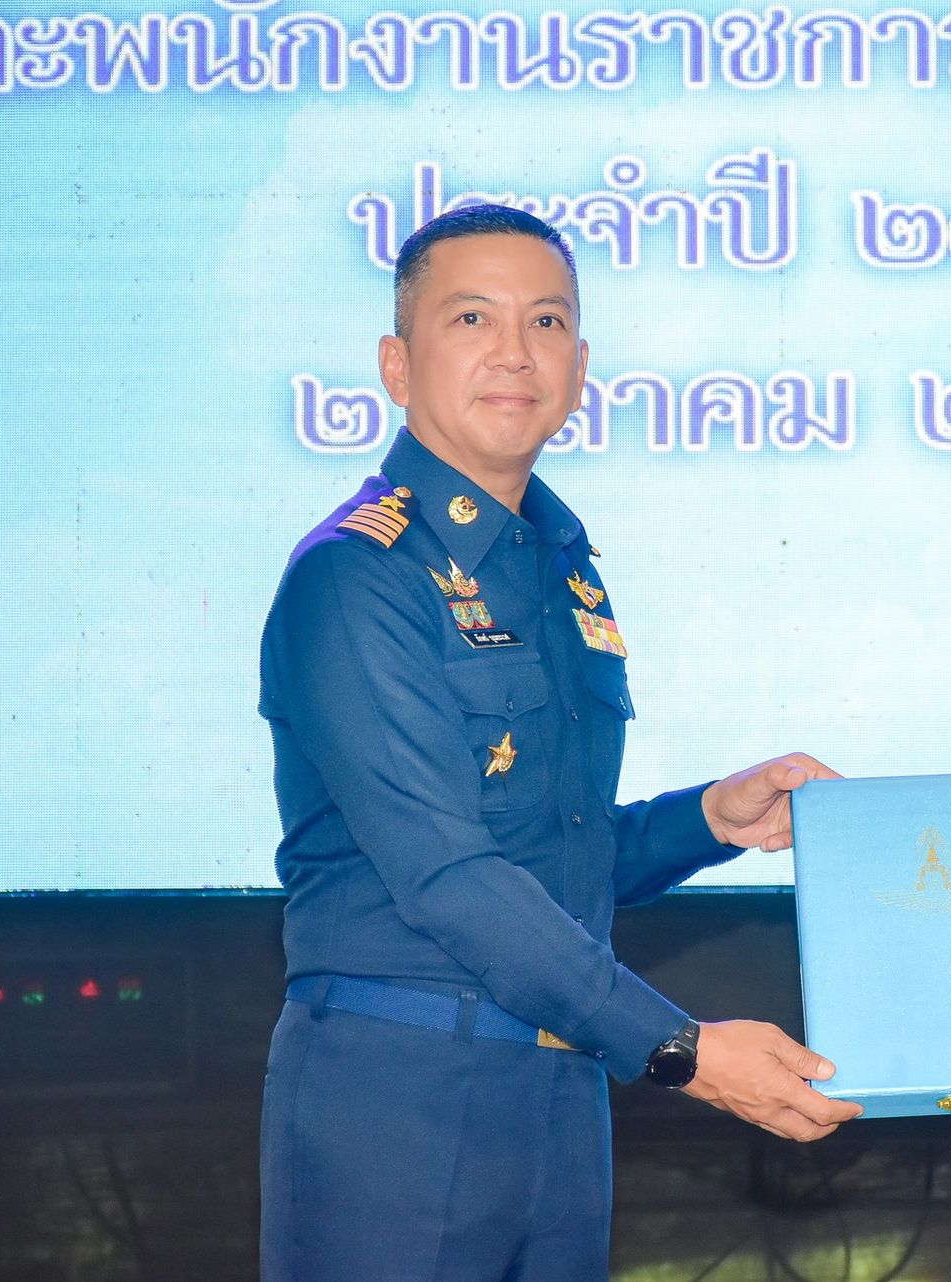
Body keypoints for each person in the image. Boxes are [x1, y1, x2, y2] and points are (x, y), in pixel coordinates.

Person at [257, 203, 860, 1282]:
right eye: (472, 319)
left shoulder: (560, 567)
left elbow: (554, 857)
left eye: (545, 322)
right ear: (396, 365)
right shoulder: (357, 576)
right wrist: (681, 1049)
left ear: (580, 367)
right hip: (398, 1096)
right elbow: (450, 874)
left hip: (560, 1094)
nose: (515, 352)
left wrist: (708, 820)